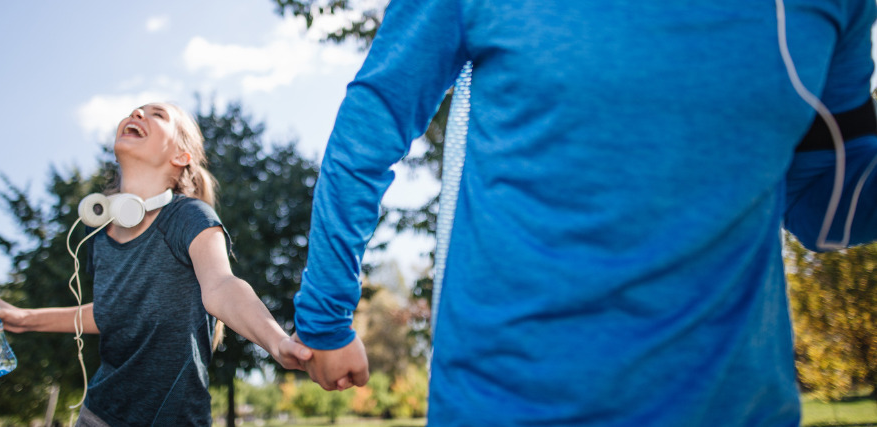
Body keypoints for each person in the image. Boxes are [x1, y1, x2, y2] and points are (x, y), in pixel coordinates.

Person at [291, 0, 877, 425]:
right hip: (511, 404)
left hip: (733, 404)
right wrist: (325, 316)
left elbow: (825, 209)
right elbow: (371, 128)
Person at [0, 102, 313, 426]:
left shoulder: (187, 216)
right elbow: (110, 313)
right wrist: (20, 319)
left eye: (157, 114)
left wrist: (276, 341)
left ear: (180, 155)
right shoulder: (97, 236)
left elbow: (221, 286)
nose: (137, 113)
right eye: (135, 110)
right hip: (98, 415)